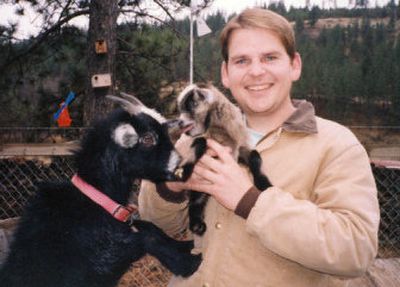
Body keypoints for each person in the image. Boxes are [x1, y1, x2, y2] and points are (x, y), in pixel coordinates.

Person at [138, 7, 380, 287]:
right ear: (225, 73)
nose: (255, 71)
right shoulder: (197, 138)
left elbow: (356, 252)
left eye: (270, 57)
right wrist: (172, 187)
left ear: (295, 65)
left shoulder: (336, 145)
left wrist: (250, 201)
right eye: (241, 61)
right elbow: (157, 222)